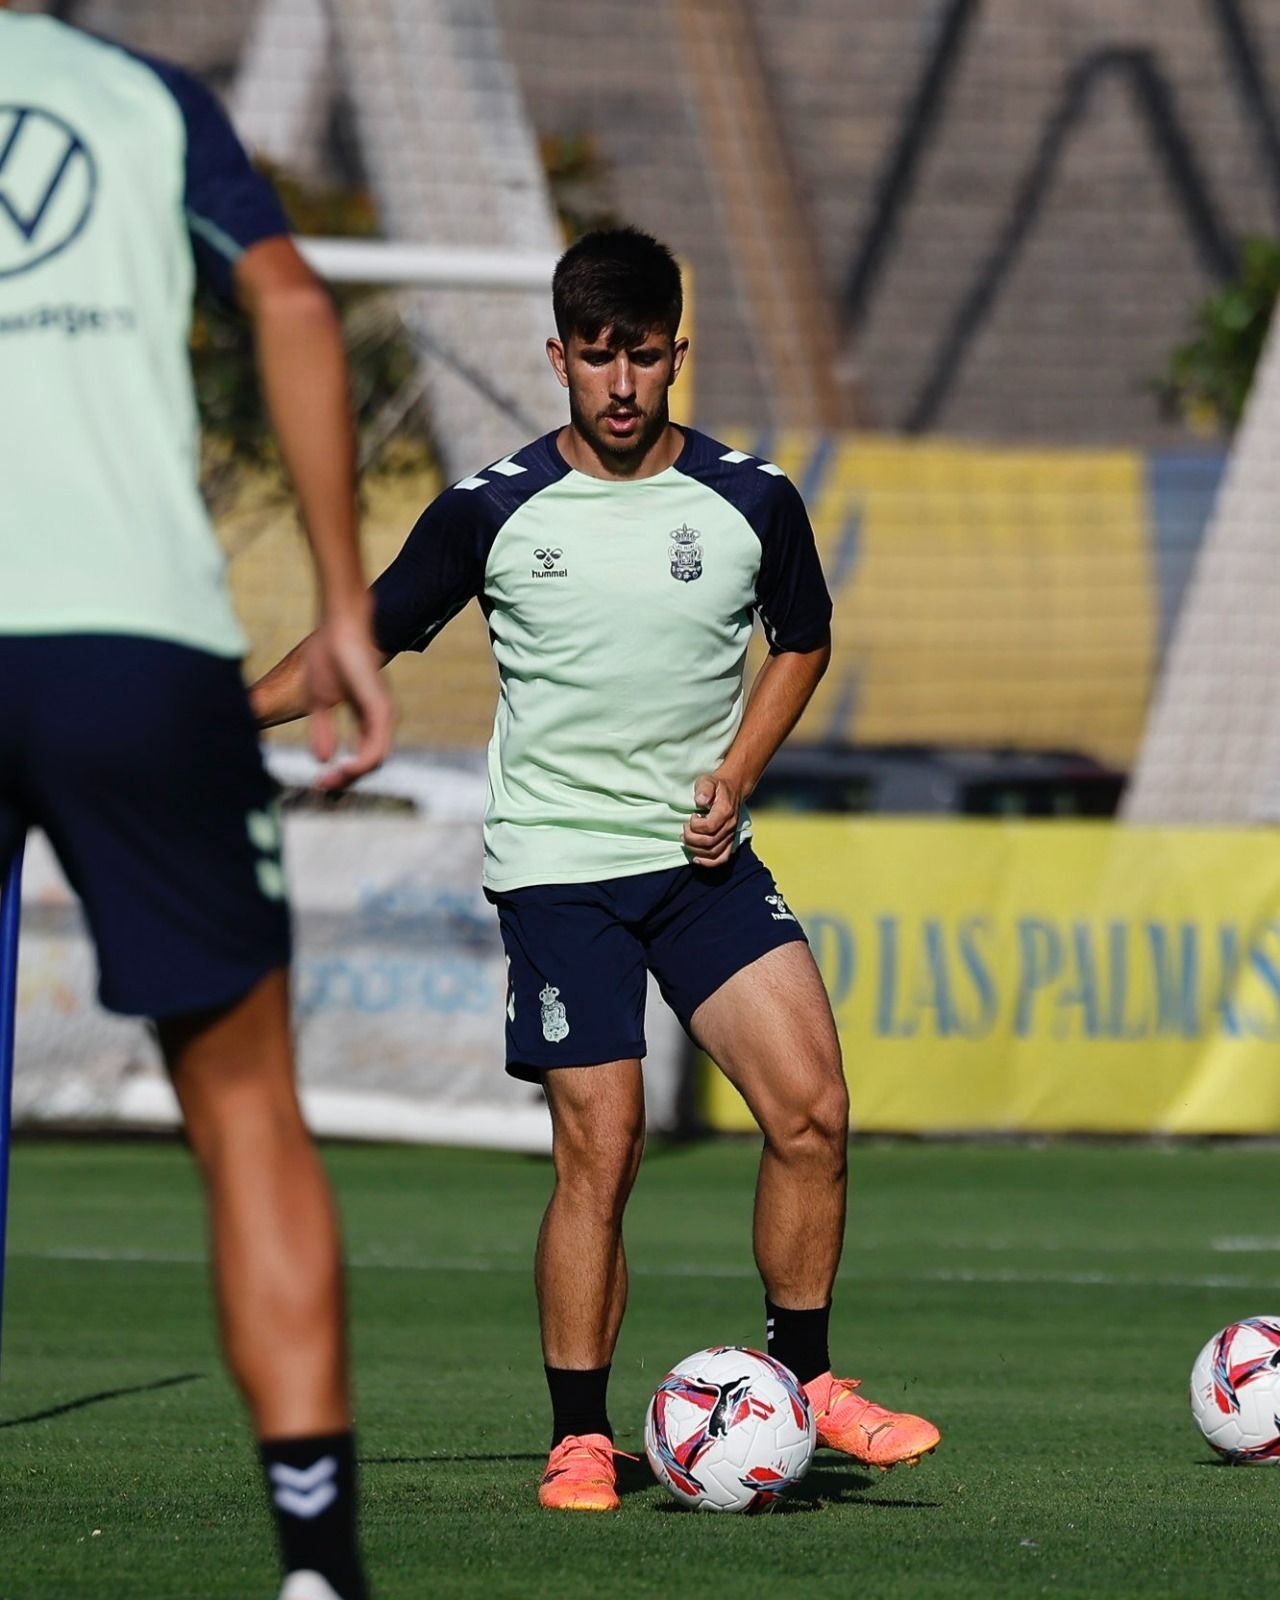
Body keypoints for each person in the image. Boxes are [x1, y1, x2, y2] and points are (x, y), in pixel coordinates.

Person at [254, 226, 941, 1513]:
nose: (619, 384)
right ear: (556, 357)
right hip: (560, 871)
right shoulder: (492, 509)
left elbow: (803, 638)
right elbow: (363, 639)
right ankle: (579, 1433)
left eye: (642, 356)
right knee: (603, 1146)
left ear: (678, 351)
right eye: (594, 358)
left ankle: (810, 1380)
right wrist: (223, 715)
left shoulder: (752, 499)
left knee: (812, 1110)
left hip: (701, 860)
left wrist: (738, 766)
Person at [0, 11, 391, 1597]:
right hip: (131, 653)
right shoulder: (140, 99)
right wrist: (346, 603)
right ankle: (314, 1568)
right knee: (242, 1113)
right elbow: (290, 300)